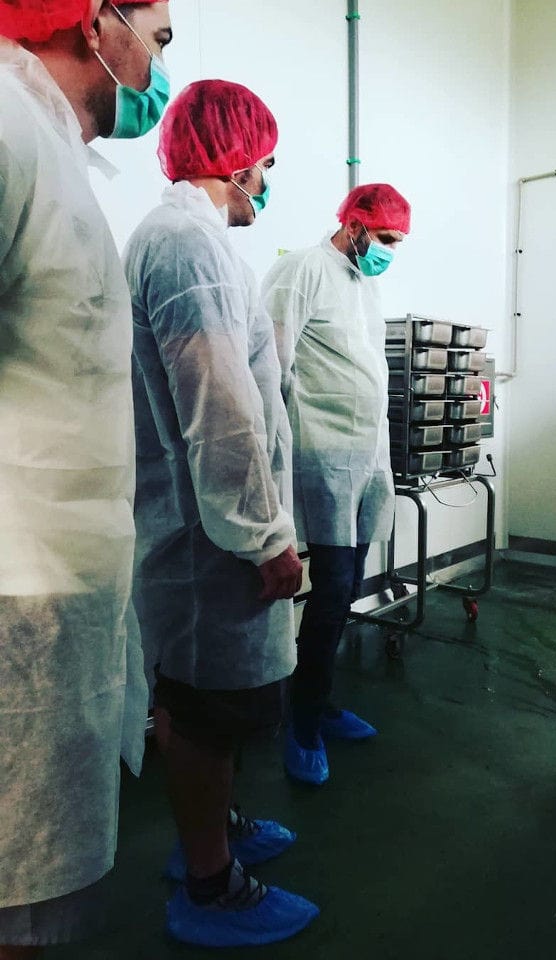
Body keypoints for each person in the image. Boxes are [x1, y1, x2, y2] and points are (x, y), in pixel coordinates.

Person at [124, 79, 319, 948]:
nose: (267, 183)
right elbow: (219, 406)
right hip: (209, 538)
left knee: (208, 699)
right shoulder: (186, 247)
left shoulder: (197, 243)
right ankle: (208, 884)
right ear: (238, 161)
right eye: (266, 165)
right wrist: (264, 534)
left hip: (208, 527)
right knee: (203, 705)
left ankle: (216, 830)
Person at [0, 2, 172, 957]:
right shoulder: (5, 121)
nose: (156, 62)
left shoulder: (52, 148)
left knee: (34, 890)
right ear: (93, 19)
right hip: (14, 593)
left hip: (54, 595)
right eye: (158, 32)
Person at [262, 183, 411, 785]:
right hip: (321, 457)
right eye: (386, 239)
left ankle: (317, 702)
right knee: (328, 594)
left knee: (342, 588)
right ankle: (301, 724)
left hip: (362, 455)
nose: (389, 251)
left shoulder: (362, 284)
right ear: (355, 227)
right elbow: (267, 365)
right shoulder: (301, 271)